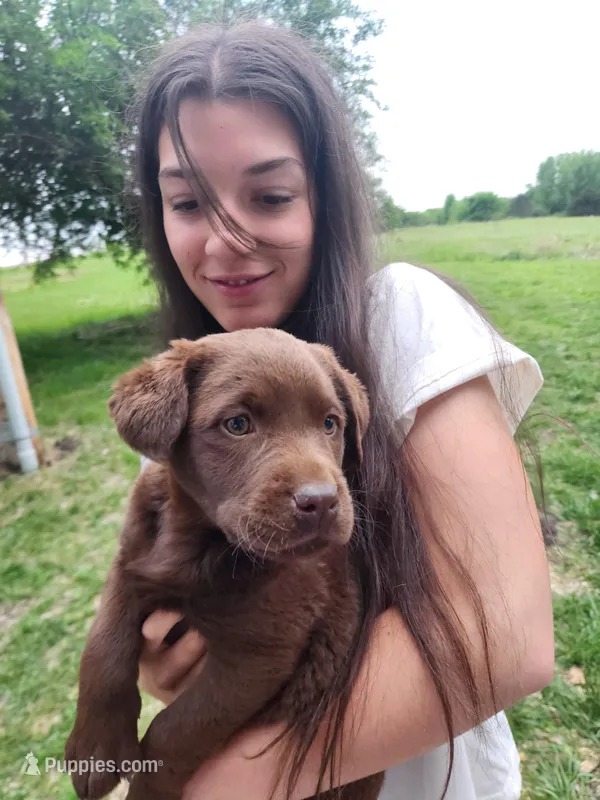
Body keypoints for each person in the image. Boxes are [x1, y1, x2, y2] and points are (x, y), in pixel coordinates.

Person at [131, 21, 554, 800]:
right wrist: (165, 661)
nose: (225, 240)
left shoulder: (397, 317)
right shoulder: (190, 397)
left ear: (325, 194)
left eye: (270, 195)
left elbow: (509, 640)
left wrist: (206, 787)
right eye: (188, 201)